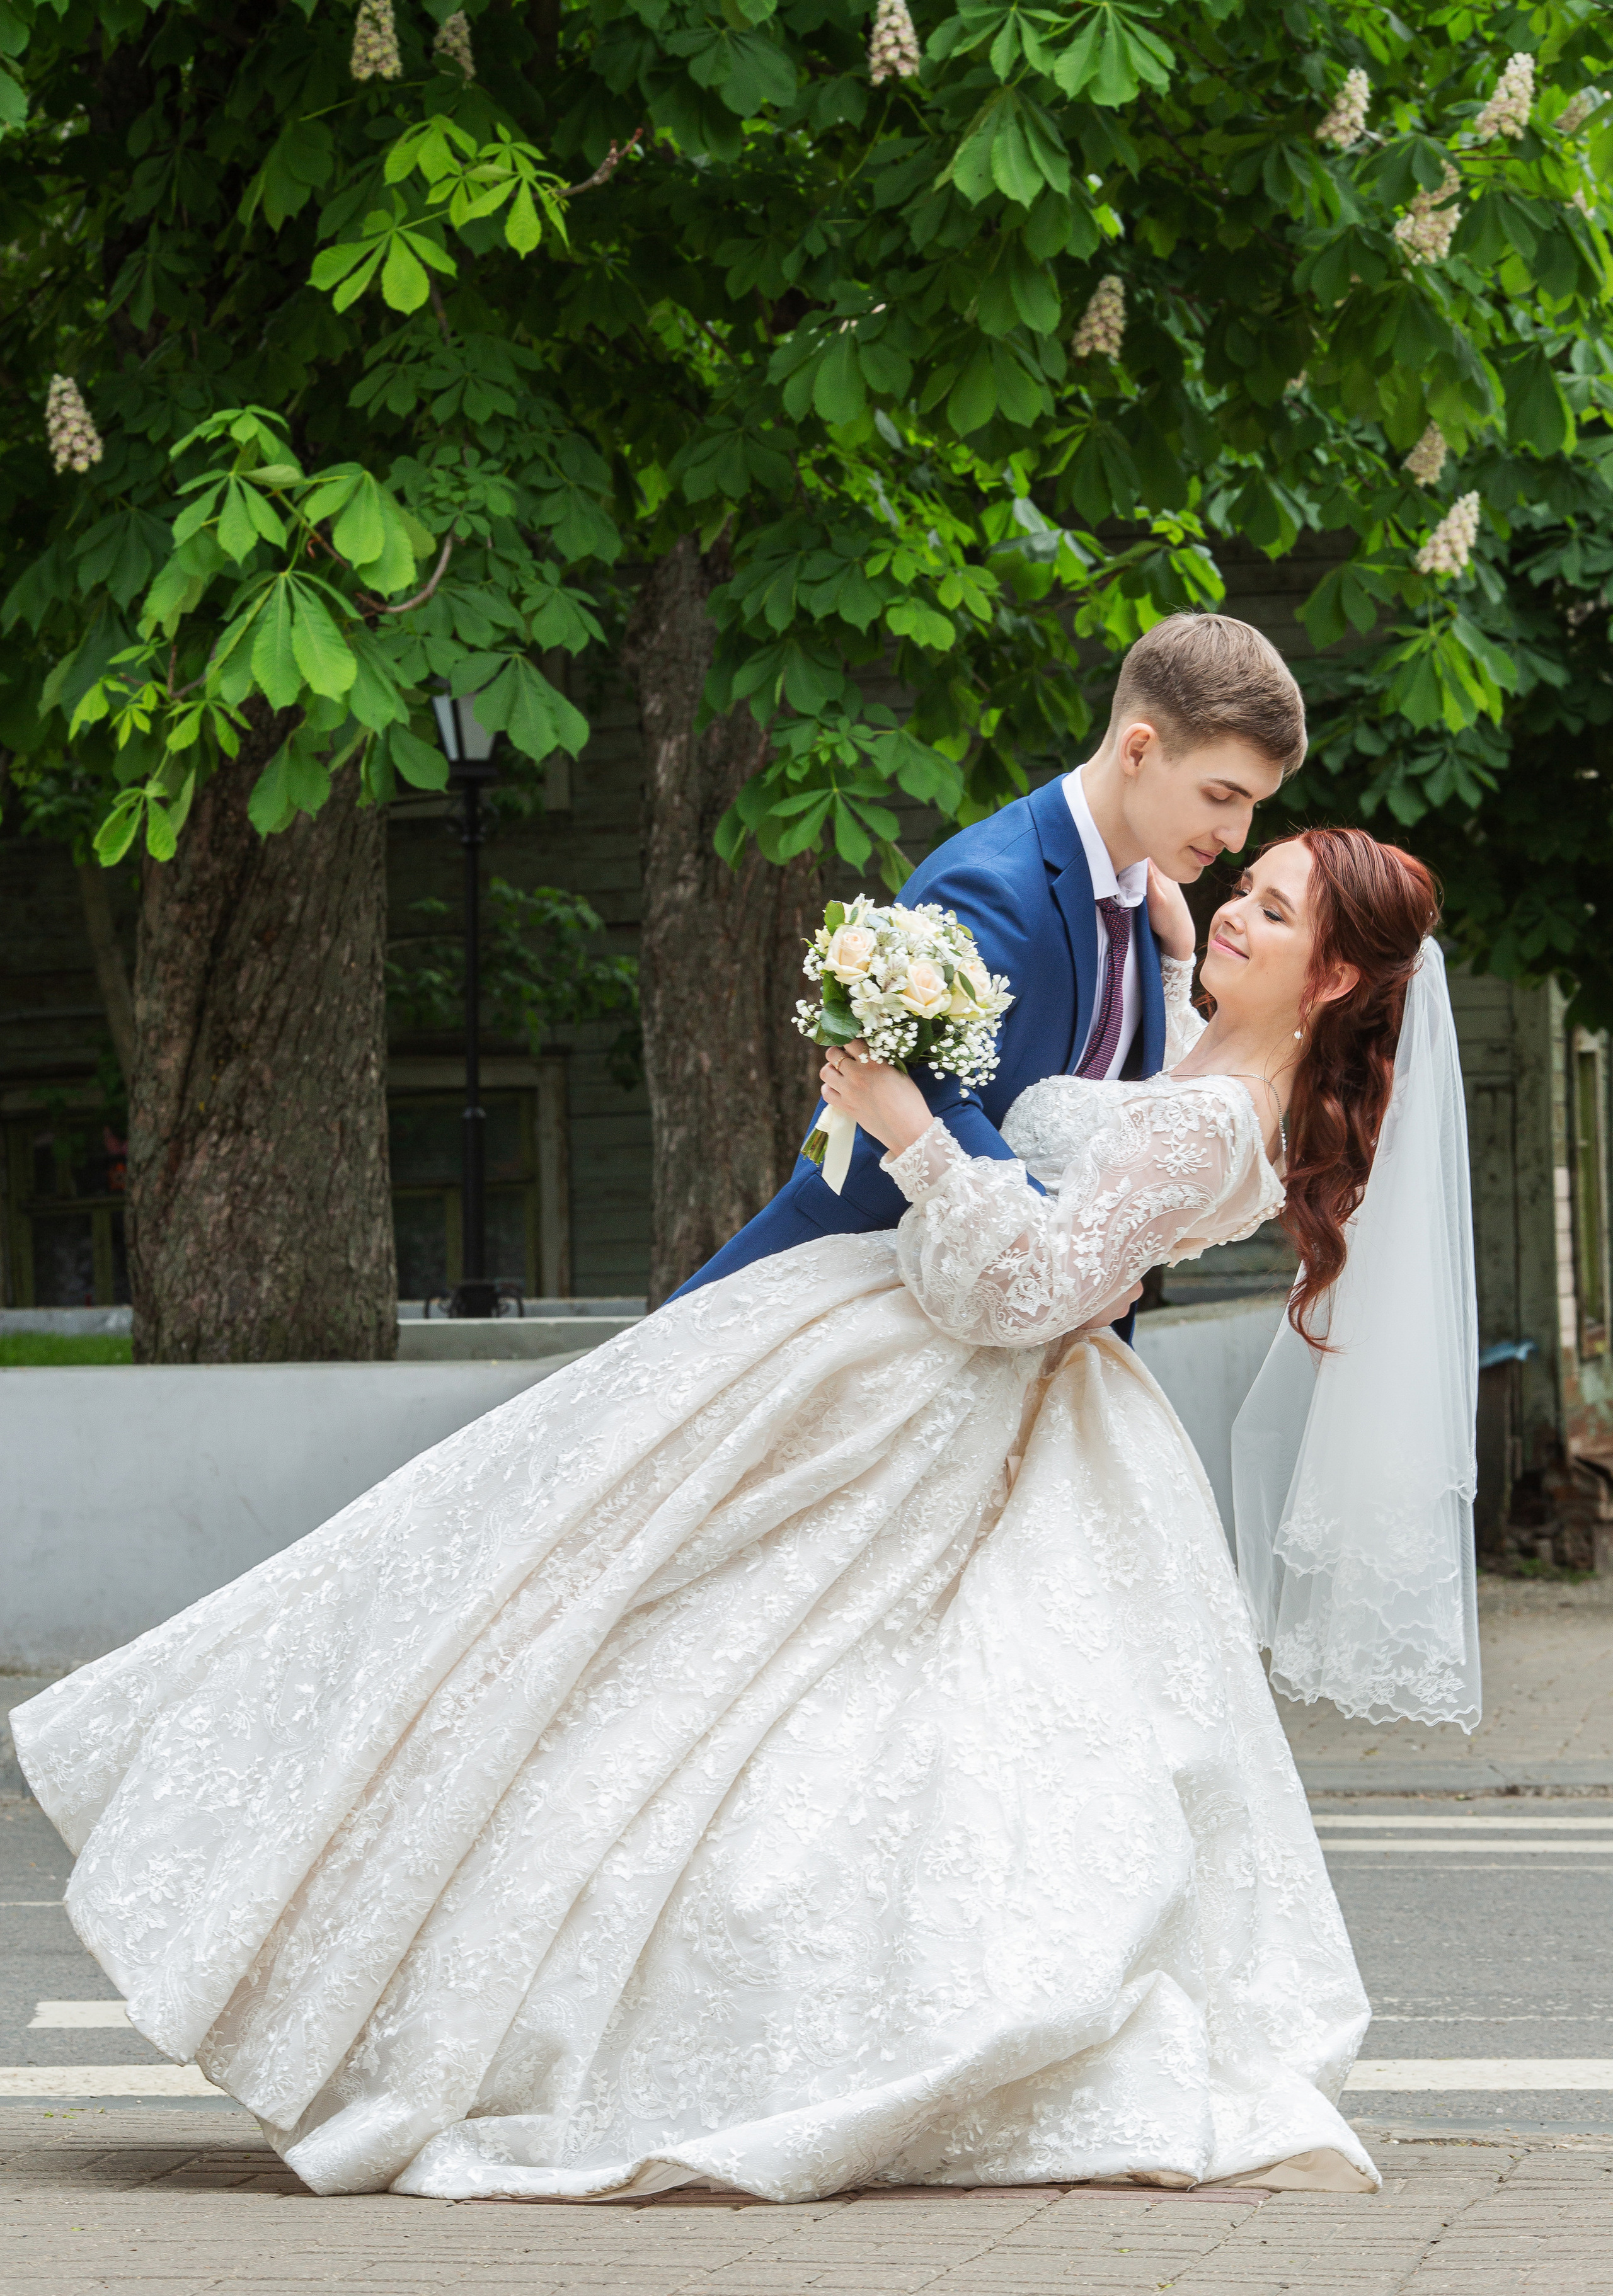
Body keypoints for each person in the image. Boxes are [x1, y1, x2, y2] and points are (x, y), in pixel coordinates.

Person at [10, 826, 1473, 2209]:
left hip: (971, 1399)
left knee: (738, 1691)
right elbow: (1134, 1112)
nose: (1233, 903)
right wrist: (1162, 954)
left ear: (1333, 975)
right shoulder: (1209, 1058)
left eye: (1270, 909)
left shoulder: (1216, 1120)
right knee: (643, 1635)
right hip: (929, 1380)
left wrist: (905, 1124)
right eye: (1247, 880)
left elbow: (1023, 1293)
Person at [674, 610, 1306, 1299]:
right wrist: (1068, 1281)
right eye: (1222, 795)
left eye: (1253, 805)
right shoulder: (990, 885)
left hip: (1023, 1326)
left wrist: (1175, 962)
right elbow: (925, 1102)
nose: (1238, 835)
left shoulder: (1151, 916)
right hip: (865, 1290)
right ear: (1137, 750)